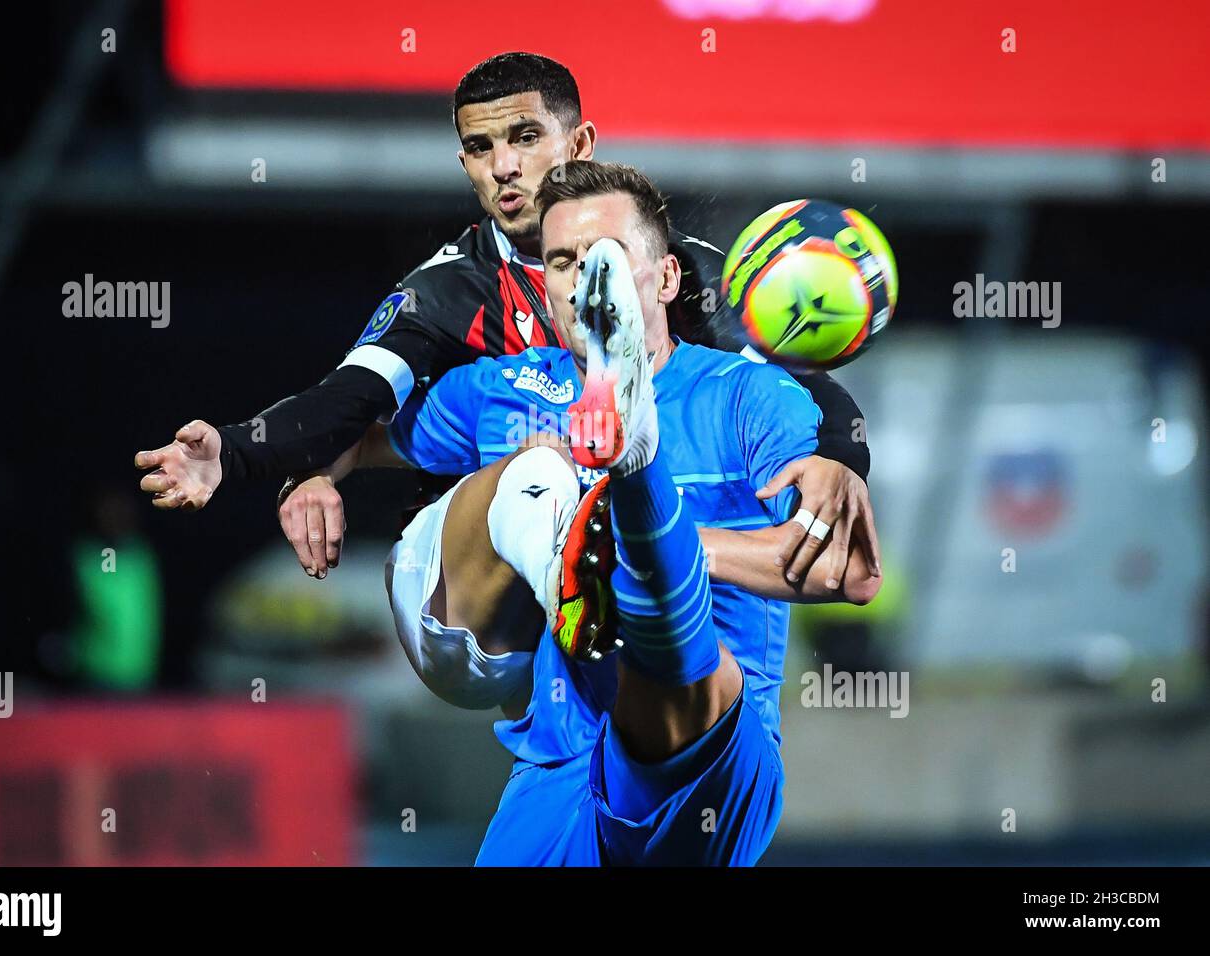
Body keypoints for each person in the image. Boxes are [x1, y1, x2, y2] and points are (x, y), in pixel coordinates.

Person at [289, 161, 880, 863]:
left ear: (664, 280)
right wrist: (313, 473)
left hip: (712, 747)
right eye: (563, 262)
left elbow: (851, 572)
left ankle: (634, 462)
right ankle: (616, 496)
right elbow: (358, 431)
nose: (578, 279)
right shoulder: (507, 387)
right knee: (536, 474)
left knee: (664, 628)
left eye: (604, 259)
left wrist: (669, 548)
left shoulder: (752, 395)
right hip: (559, 760)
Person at [133, 53, 878, 588]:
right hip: (471, 577)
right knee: (547, 470)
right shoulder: (446, 294)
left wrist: (842, 458)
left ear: (578, 144)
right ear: (465, 166)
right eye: (481, 148)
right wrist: (241, 455)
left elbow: (798, 383)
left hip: (617, 553)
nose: (504, 167)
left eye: (525, 137)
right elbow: (348, 400)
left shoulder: (676, 271)